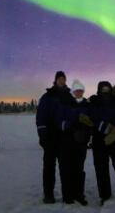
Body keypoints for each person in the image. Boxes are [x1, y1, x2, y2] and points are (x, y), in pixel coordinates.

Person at [36, 71, 72, 204]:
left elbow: (73, 114)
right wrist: (42, 134)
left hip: (65, 137)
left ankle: (67, 195)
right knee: (49, 167)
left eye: (63, 79)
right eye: (59, 79)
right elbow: (41, 116)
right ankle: (48, 195)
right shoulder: (47, 96)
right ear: (55, 80)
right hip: (50, 137)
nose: (61, 81)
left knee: (66, 167)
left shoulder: (69, 96)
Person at [56, 79, 94, 205]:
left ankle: (79, 194)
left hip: (81, 142)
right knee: (67, 169)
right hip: (66, 142)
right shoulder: (65, 103)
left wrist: (87, 133)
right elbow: (59, 122)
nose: (78, 92)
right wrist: (70, 124)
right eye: (76, 90)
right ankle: (68, 196)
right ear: (73, 91)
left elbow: (91, 123)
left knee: (79, 169)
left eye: (80, 91)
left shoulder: (86, 105)